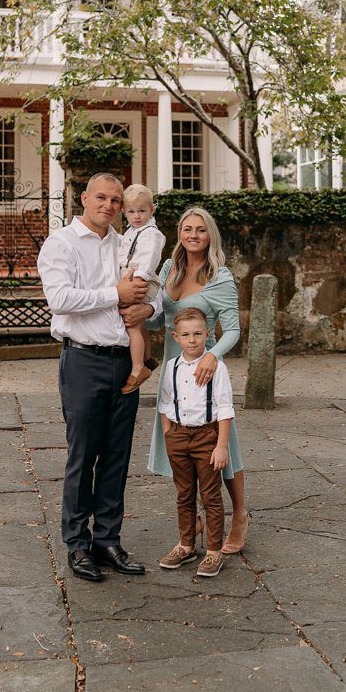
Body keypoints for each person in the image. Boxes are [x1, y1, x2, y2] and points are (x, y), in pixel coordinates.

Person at [36, 171, 156, 585]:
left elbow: (148, 290)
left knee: (117, 456)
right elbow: (60, 299)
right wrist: (114, 295)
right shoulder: (61, 243)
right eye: (101, 198)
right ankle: (77, 544)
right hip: (83, 361)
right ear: (84, 198)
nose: (109, 206)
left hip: (124, 361)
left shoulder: (125, 243)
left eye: (116, 201)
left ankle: (108, 540)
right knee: (82, 455)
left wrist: (150, 310)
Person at [147, 206, 250, 553]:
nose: (193, 235)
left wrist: (212, 355)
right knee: (180, 442)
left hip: (205, 367)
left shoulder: (220, 276)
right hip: (173, 366)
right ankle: (193, 519)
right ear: (179, 232)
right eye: (187, 228)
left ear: (210, 236)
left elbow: (233, 330)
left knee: (222, 443)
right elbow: (155, 319)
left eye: (201, 230)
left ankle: (239, 514)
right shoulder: (167, 269)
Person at [156, 308, 235, 579]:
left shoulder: (217, 368)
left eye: (198, 334)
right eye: (186, 335)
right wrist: (169, 436)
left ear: (208, 335)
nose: (192, 340)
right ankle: (186, 545)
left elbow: (225, 409)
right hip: (178, 436)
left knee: (210, 495)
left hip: (206, 437)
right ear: (175, 337)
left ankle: (214, 551)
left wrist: (221, 446)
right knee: (184, 494)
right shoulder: (171, 367)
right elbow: (166, 402)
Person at [118, 184, 166, 393]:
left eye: (142, 211)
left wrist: (137, 281)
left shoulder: (151, 234)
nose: (136, 216)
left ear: (151, 210)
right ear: (124, 212)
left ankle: (138, 369)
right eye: (131, 211)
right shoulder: (132, 231)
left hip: (141, 281)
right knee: (141, 324)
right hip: (133, 278)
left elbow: (149, 259)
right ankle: (146, 358)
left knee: (133, 325)